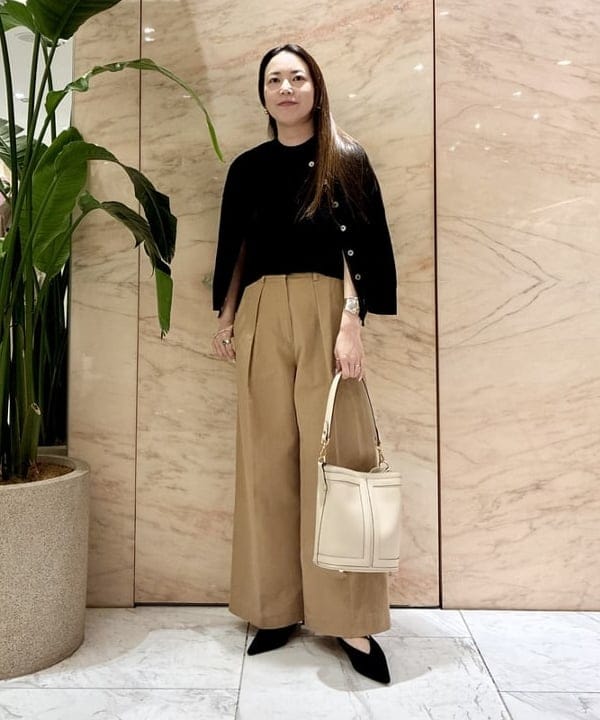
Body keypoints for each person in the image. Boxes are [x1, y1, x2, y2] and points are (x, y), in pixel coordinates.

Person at [211, 43, 397, 684]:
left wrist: (351, 322)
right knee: (265, 464)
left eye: (297, 77)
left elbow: (359, 249)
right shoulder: (248, 167)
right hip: (261, 311)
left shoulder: (345, 158)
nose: (286, 88)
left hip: (327, 311)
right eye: (274, 79)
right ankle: (274, 608)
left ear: (316, 87)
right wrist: (227, 317)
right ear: (263, 94)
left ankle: (349, 618)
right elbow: (236, 246)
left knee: (337, 463)